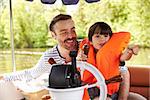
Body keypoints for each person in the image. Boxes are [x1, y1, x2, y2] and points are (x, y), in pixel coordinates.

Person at [0, 14, 145, 100]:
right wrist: (5, 78)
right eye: (63, 32)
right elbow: (31, 74)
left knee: (139, 99)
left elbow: (123, 73)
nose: (70, 36)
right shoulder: (49, 58)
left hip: (109, 94)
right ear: (53, 35)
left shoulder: (90, 47)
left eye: (73, 30)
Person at [77, 22, 146, 100]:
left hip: (114, 92)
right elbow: (78, 66)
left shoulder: (113, 53)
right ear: (90, 41)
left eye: (105, 36)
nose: (102, 39)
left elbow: (124, 57)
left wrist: (130, 51)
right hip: (95, 93)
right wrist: (79, 59)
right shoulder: (85, 52)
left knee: (139, 98)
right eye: (97, 36)